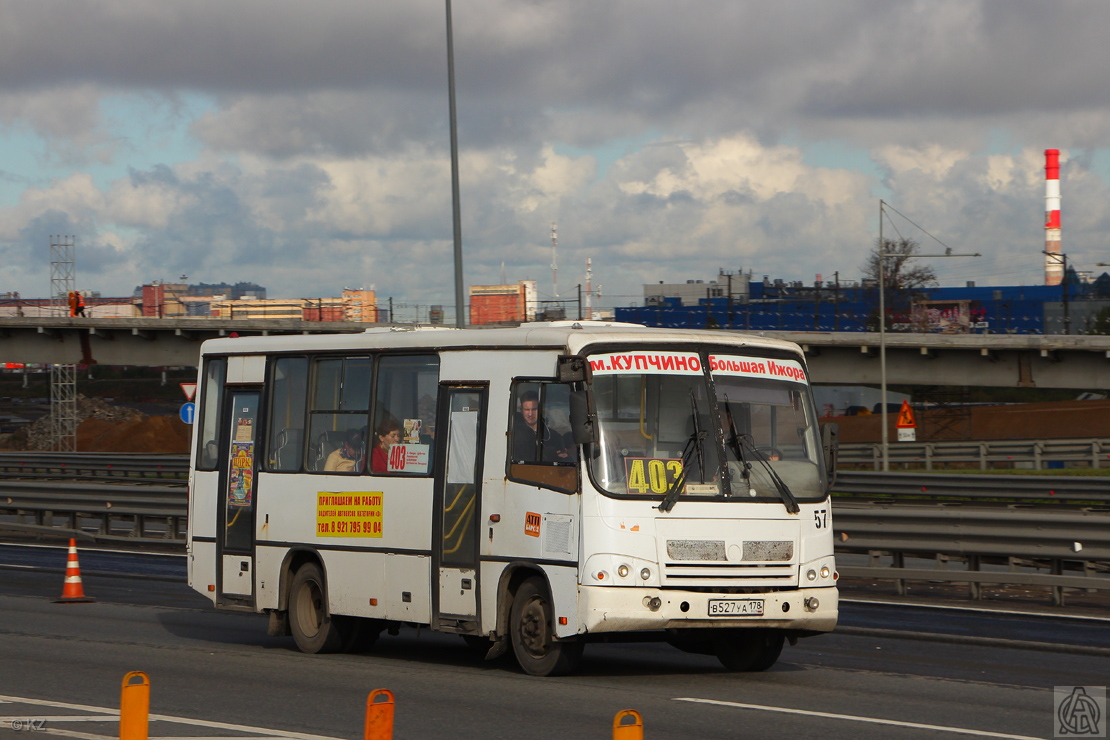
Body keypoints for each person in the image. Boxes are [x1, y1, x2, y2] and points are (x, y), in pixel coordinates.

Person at [511, 390, 571, 463]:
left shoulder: (554, 436)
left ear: (541, 409)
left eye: (534, 409)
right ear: (521, 410)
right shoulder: (514, 435)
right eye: (527, 409)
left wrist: (565, 456)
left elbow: (564, 462)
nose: (530, 414)